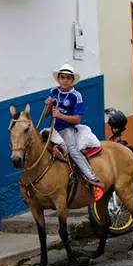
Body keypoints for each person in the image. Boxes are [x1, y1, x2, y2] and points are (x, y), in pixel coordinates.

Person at [46, 63, 104, 201]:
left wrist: (60, 116)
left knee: (72, 151)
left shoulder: (76, 96)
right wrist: (48, 105)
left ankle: (93, 179)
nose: (64, 81)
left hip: (68, 129)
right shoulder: (53, 91)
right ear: (58, 79)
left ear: (72, 80)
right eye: (62, 78)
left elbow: (77, 119)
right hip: (54, 128)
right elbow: (48, 113)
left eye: (67, 78)